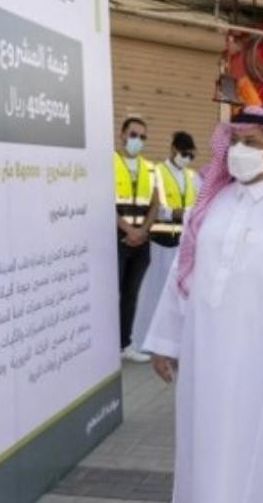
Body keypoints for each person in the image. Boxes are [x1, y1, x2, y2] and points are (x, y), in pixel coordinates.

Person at [143, 107, 263, 503]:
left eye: (250, 142)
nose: (238, 149)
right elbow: (183, 273)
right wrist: (165, 341)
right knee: (203, 448)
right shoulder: (209, 205)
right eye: (233, 141)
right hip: (204, 358)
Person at [130, 131, 202, 362]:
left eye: (191, 156)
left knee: (178, 296)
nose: (187, 159)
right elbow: (152, 206)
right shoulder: (157, 172)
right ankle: (141, 342)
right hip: (159, 242)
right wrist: (173, 213)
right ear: (173, 149)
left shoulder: (192, 177)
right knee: (151, 294)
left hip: (183, 244)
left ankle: (174, 345)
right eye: (184, 154)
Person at [114, 117, 158, 363]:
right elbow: (102, 200)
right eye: (133, 135)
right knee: (111, 295)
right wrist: (128, 230)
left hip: (141, 241)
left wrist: (141, 231)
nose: (137, 140)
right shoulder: (108, 163)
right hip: (116, 239)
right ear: (122, 135)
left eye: (142, 137)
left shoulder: (149, 169)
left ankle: (125, 344)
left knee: (131, 295)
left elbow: (155, 204)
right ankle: (105, 348)